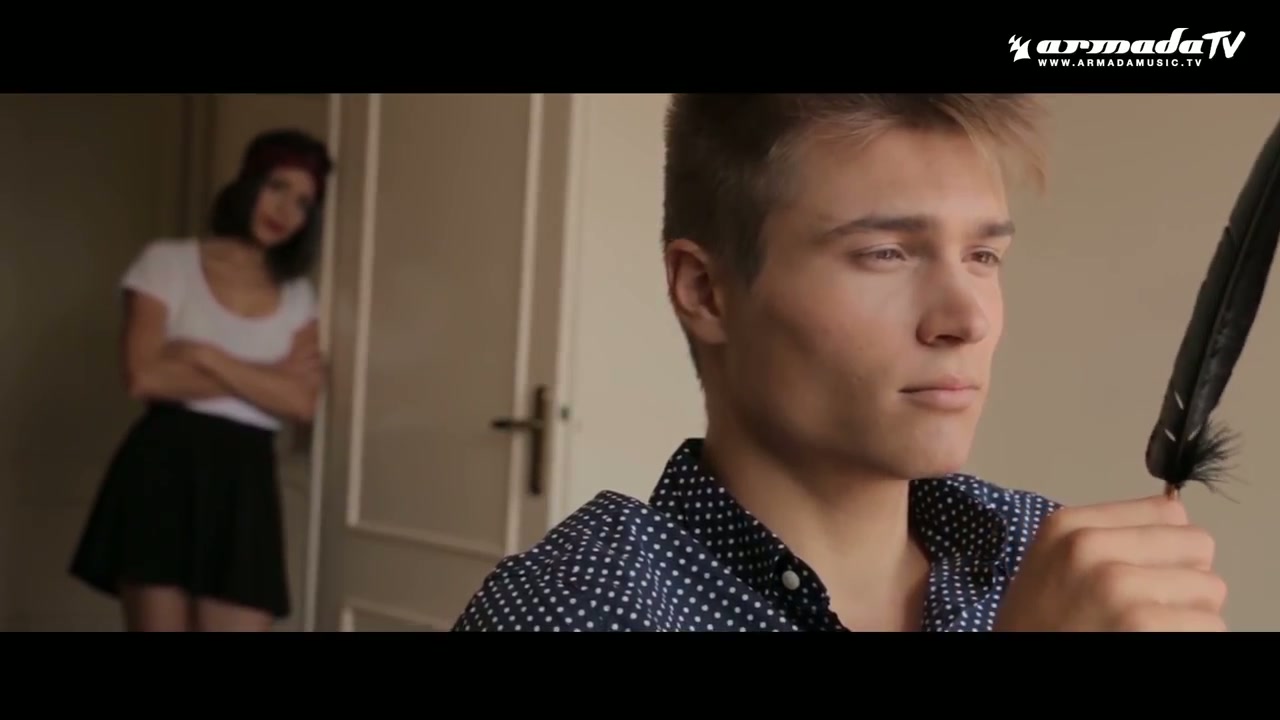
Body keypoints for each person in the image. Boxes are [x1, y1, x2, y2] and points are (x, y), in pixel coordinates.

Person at [451, 94, 1228, 632]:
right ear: (706, 291)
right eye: (886, 253)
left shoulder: (1042, 554)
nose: (967, 320)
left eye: (983, 256)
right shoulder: (575, 610)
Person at [69, 128, 332, 632]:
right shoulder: (167, 262)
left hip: (245, 481)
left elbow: (301, 402)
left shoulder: (298, 293)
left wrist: (206, 357)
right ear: (249, 184)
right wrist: (267, 378)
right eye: (277, 187)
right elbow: (144, 376)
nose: (286, 210)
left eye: (304, 202)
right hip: (163, 467)